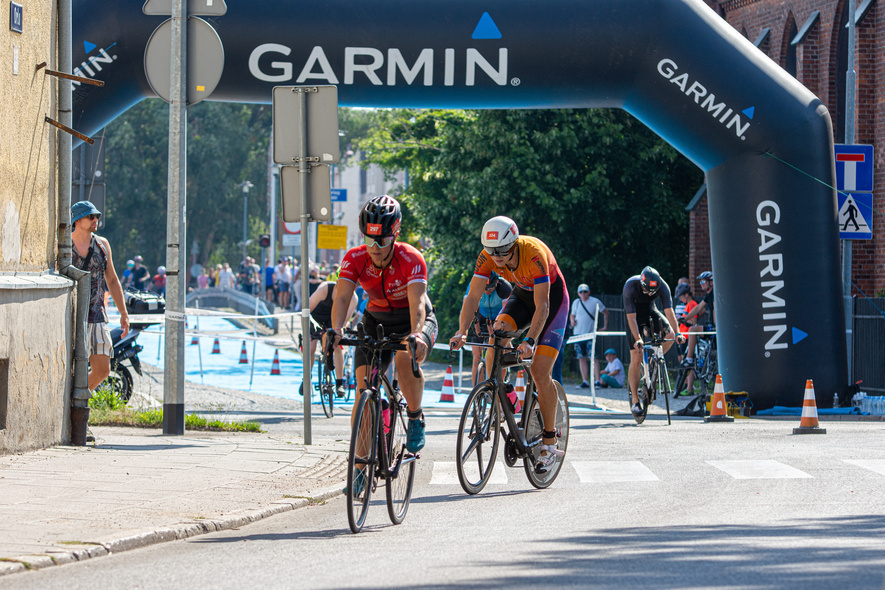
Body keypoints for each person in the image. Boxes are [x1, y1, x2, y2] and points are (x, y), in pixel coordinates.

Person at [450, 215, 569, 472]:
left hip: (550, 301)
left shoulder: (534, 253)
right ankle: (502, 396)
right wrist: (461, 331)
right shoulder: (487, 256)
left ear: (514, 243)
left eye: (503, 251)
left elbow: (543, 306)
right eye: (493, 252)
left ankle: (549, 441)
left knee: (538, 370)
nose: (498, 257)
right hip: (521, 296)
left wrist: (530, 340)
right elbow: (472, 297)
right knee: (497, 333)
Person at [330, 195, 438, 453]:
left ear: (396, 233)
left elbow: (418, 303)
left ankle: (414, 417)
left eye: (383, 240)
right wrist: (336, 330)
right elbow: (343, 296)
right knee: (363, 392)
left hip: (411, 321)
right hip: (375, 320)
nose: (375, 247)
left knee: (404, 359)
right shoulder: (355, 258)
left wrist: (417, 335)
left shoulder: (410, 258)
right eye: (369, 239)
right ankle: (359, 468)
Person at [70, 201, 130, 393]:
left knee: (103, 370)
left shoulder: (102, 245)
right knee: (67, 368)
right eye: (91, 216)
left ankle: (74, 399)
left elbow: (112, 279)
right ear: (77, 220)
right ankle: (73, 407)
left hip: (97, 315)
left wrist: (123, 312)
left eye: (97, 216)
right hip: (69, 316)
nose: (96, 220)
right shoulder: (64, 246)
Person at [623, 266, 684, 418]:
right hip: (634, 317)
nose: (650, 294)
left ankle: (653, 360)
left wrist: (677, 333)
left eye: (653, 292)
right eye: (647, 291)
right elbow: (631, 318)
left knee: (669, 335)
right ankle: (635, 401)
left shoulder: (663, 287)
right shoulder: (630, 286)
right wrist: (637, 338)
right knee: (636, 355)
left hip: (650, 311)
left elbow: (669, 312)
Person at [309, 277, 358, 397]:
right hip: (316, 317)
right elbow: (306, 310)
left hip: (334, 320)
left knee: (338, 346)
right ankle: (306, 378)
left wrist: (340, 330)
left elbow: (346, 320)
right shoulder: (325, 289)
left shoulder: (353, 298)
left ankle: (339, 382)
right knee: (310, 346)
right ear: (336, 286)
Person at [464, 272, 512, 386]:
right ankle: (477, 392)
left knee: (506, 342)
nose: (486, 292)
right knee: (476, 359)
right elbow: (467, 307)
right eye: (484, 289)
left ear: (496, 283)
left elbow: (507, 312)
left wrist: (497, 330)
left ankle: (503, 376)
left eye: (490, 289)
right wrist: (464, 329)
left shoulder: (504, 287)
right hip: (481, 317)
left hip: (499, 317)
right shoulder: (474, 285)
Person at [681, 271, 715, 393]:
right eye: (700, 282)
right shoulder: (708, 295)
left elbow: (716, 309)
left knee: (693, 330)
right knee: (695, 329)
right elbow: (698, 308)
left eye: (703, 282)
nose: (701, 284)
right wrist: (685, 318)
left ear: (711, 282)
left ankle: (689, 359)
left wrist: (716, 327)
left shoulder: (714, 294)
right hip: (712, 327)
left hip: (715, 328)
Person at [569, 283, 609, 389]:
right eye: (581, 292)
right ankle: (585, 381)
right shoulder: (576, 302)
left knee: (593, 357)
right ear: (578, 293)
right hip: (578, 334)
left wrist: (605, 327)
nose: (583, 294)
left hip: (590, 334)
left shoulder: (595, 301)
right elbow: (572, 315)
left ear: (589, 292)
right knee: (581, 358)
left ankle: (597, 381)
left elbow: (605, 313)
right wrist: (572, 321)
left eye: (585, 291)